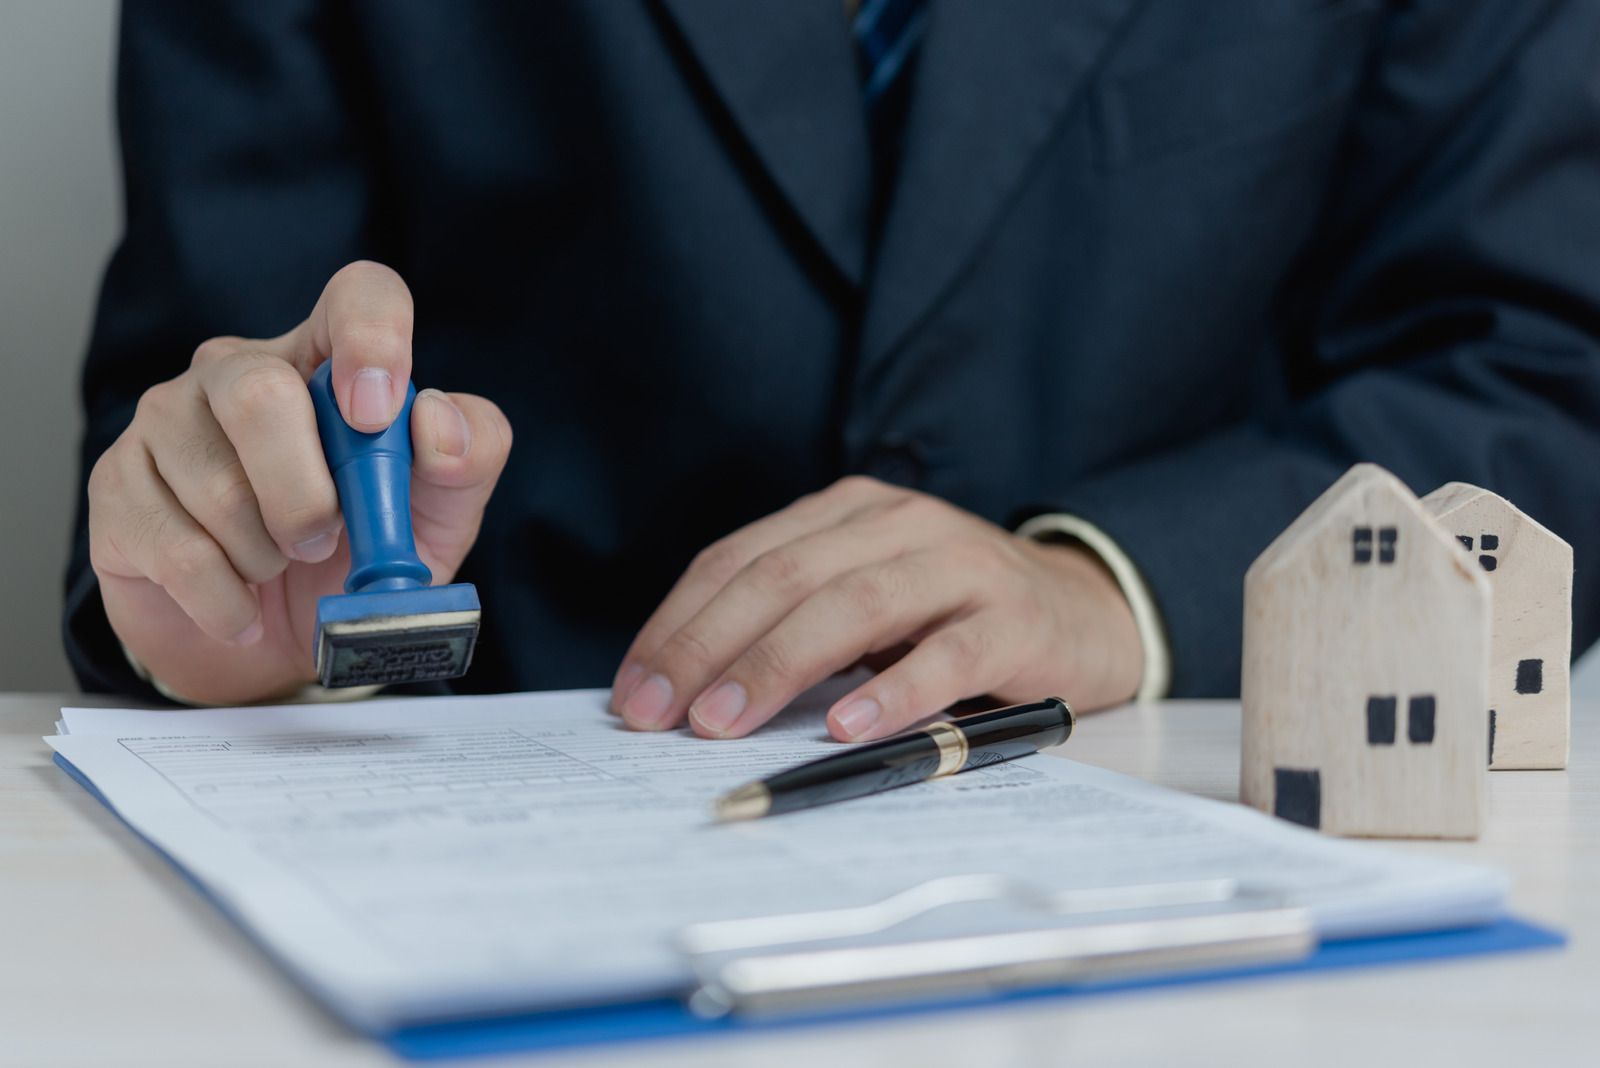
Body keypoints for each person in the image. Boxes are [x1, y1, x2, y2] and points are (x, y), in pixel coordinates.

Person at [67, 1, 1600, 742]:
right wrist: (235, 601)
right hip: (476, 825)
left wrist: (1114, 590)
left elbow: (1542, 378)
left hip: (1173, 830)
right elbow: (210, 382)